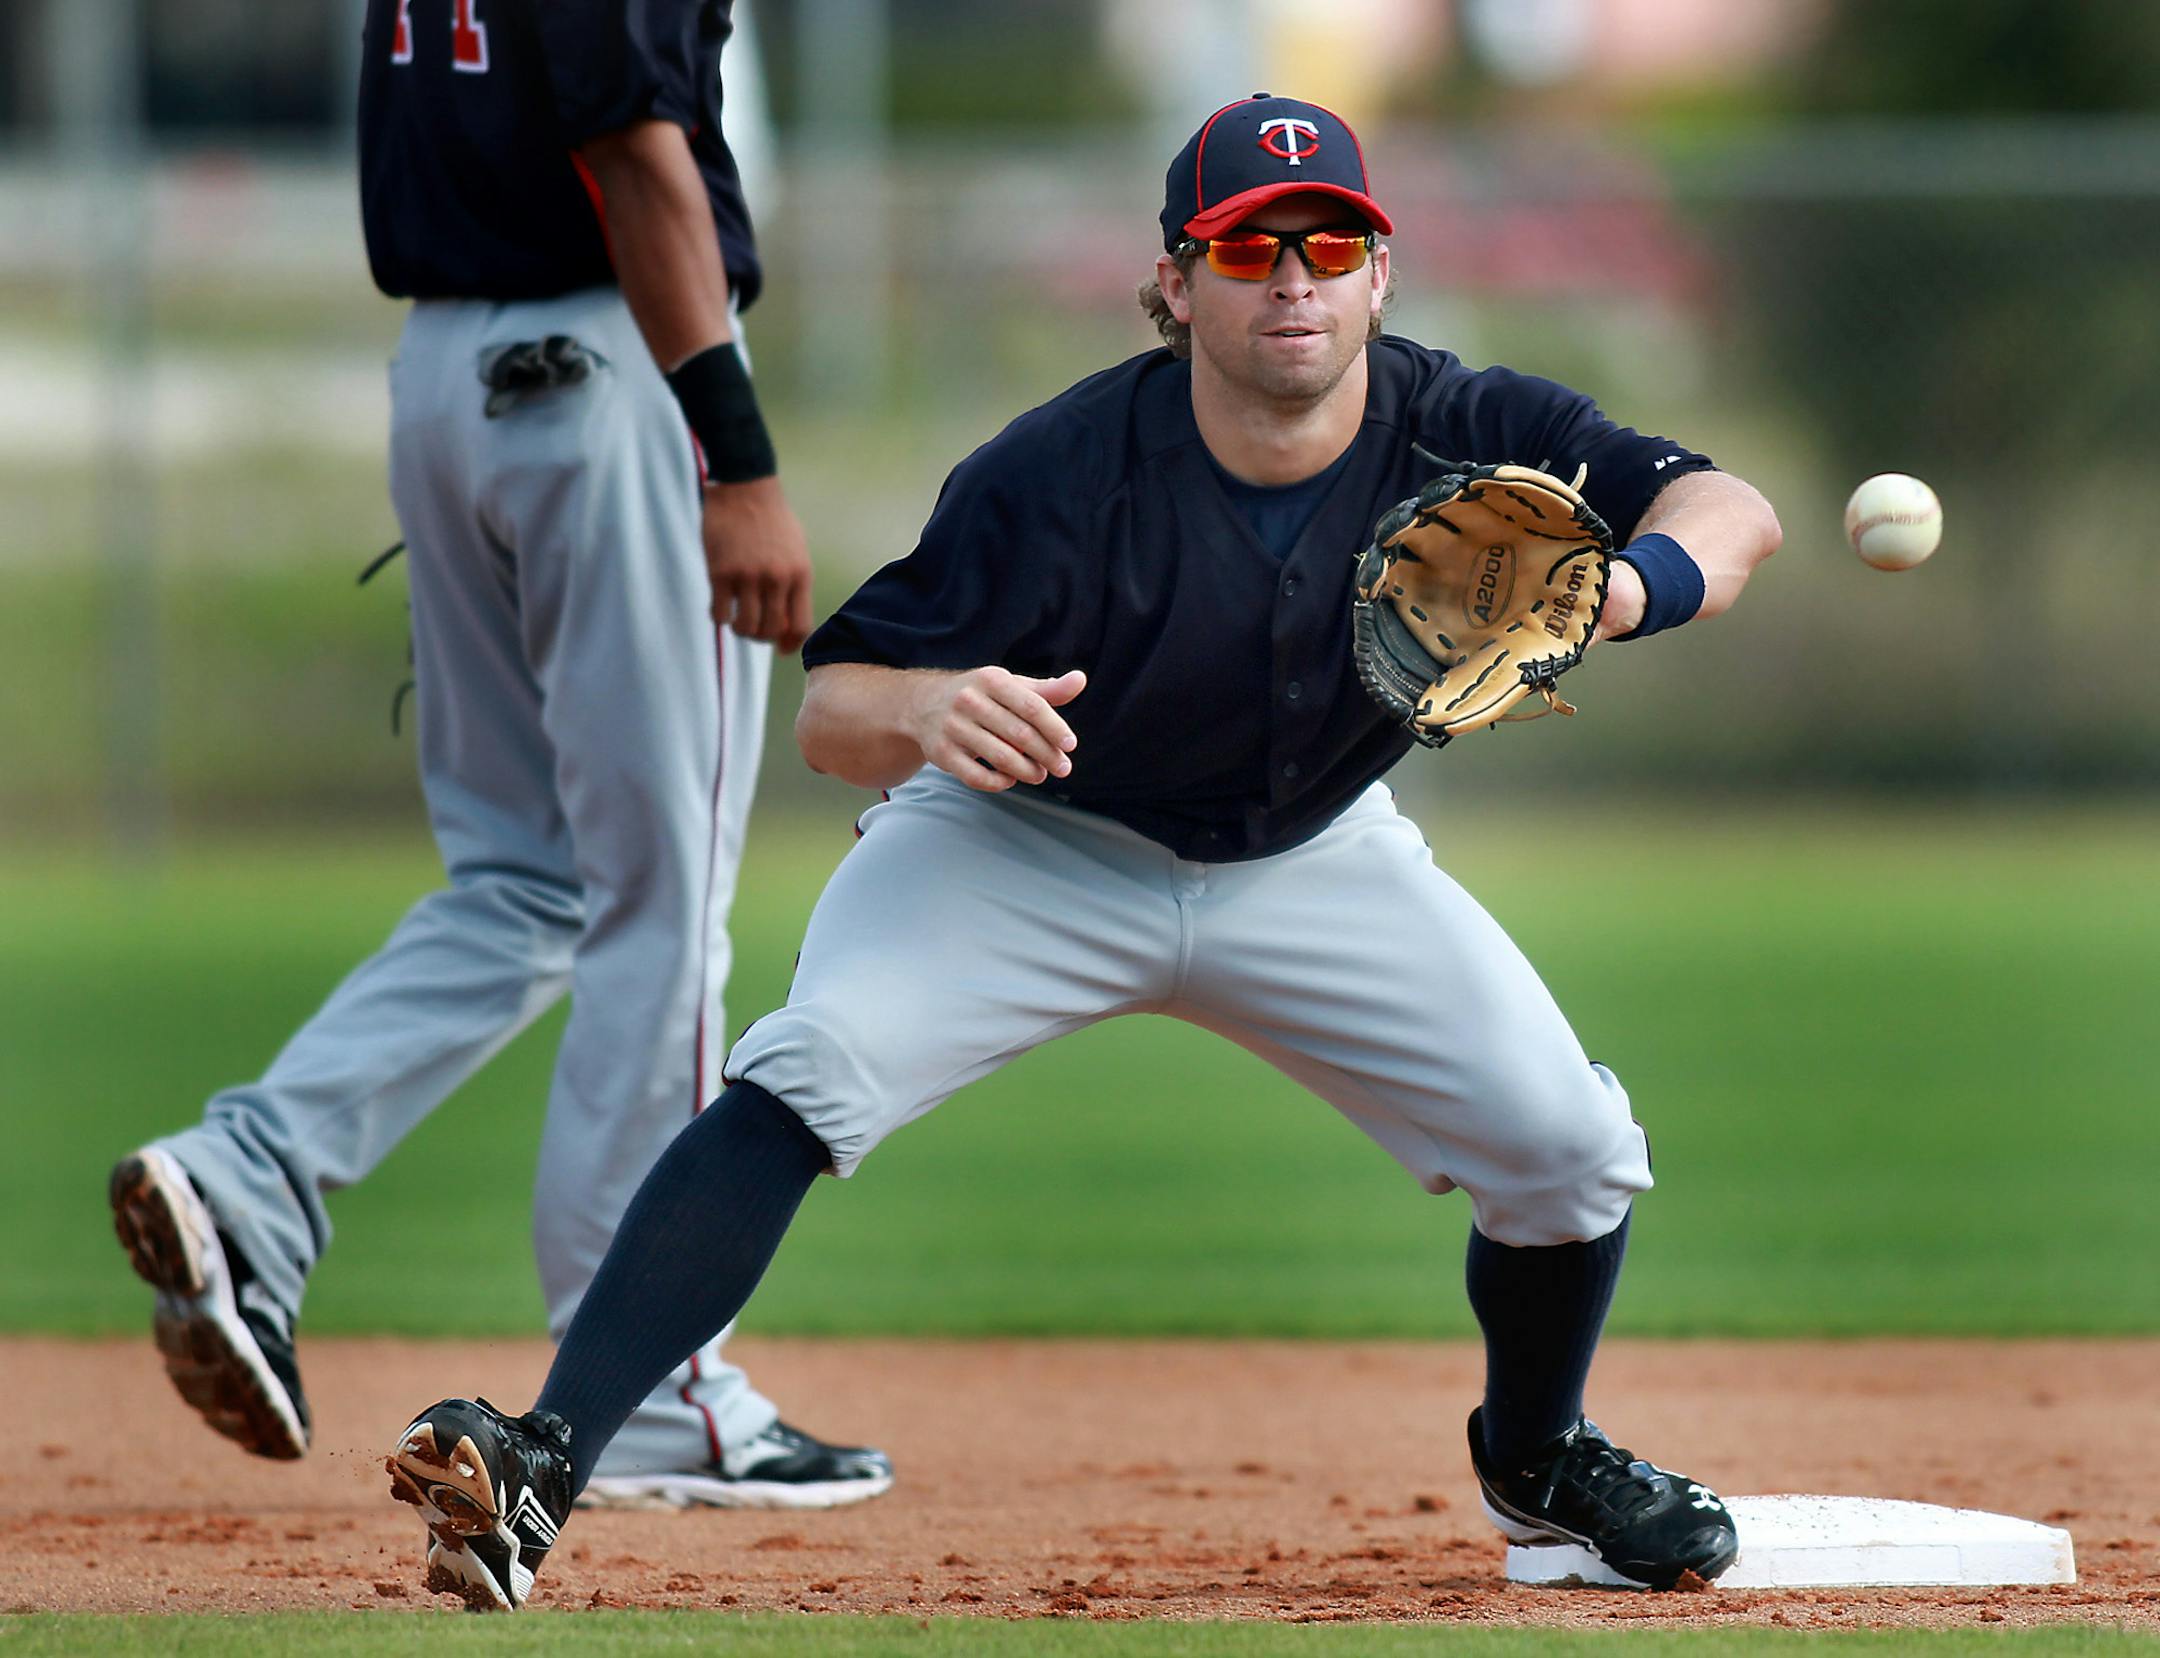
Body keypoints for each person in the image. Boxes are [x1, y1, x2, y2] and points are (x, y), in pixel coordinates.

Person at [385, 91, 1781, 1610]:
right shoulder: (1060, 476)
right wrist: (931, 707)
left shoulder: (1466, 426)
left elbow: (1732, 509)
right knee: (815, 1066)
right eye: (1250, 250)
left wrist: (1623, 590)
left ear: (1383, 275)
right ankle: (541, 1458)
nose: (1294, 279)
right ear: (1176, 284)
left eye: (1331, 245)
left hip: (1310, 854)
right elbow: (833, 712)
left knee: (1571, 1149)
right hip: (1029, 843)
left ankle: (1541, 1464)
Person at [106, 0, 892, 1514]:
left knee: (525, 879)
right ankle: (651, 1383)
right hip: (616, 372)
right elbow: (635, 151)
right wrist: (737, 459)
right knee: (658, 910)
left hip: (444, 387)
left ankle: (249, 1169)